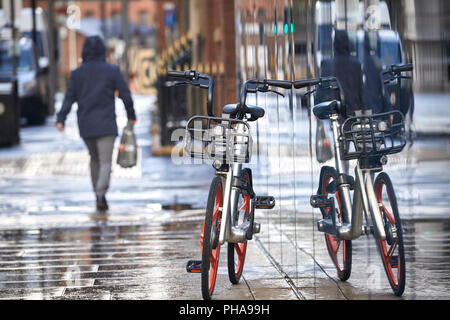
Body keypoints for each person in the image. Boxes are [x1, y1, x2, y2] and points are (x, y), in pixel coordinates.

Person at [56, 35, 136, 211]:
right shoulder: (111, 71)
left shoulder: (77, 74)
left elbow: (69, 98)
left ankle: (97, 193)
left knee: (94, 159)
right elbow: (125, 95)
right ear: (102, 51)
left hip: (86, 125)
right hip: (107, 124)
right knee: (105, 160)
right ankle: (101, 193)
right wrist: (131, 115)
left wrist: (61, 118)